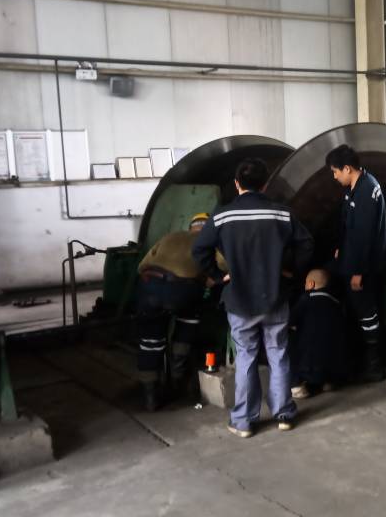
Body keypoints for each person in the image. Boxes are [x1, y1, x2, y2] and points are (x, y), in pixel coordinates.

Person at [193, 158, 314, 438]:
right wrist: (291, 272)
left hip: (240, 298)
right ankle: (284, 415)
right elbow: (307, 244)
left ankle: (244, 421)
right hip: (275, 296)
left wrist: (219, 275)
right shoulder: (282, 214)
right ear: (265, 184)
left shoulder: (222, 216)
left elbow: (199, 250)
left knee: (246, 356)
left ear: (237, 184)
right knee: (278, 353)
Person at [135, 213, 213, 412]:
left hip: (149, 288)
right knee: (189, 319)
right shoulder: (208, 240)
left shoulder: (170, 237)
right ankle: (178, 377)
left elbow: (141, 265)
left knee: (150, 342)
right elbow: (223, 266)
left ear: (191, 226)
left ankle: (150, 396)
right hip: (181, 291)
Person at [326, 144, 386, 382]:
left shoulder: (367, 190)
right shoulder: (353, 188)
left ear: (347, 168)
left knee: (367, 313)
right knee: (357, 309)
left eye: (335, 172)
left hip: (364, 266)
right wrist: (339, 248)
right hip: (350, 259)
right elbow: (348, 225)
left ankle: (375, 366)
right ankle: (359, 359)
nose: (335, 177)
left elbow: (365, 236)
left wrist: (358, 272)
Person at [290, 269, 349, 399]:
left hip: (308, 369)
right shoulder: (337, 303)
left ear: (310, 284)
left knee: (284, 339)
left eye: (305, 283)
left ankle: (297, 386)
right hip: (335, 369)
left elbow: (289, 321)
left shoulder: (306, 299)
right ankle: (328, 382)